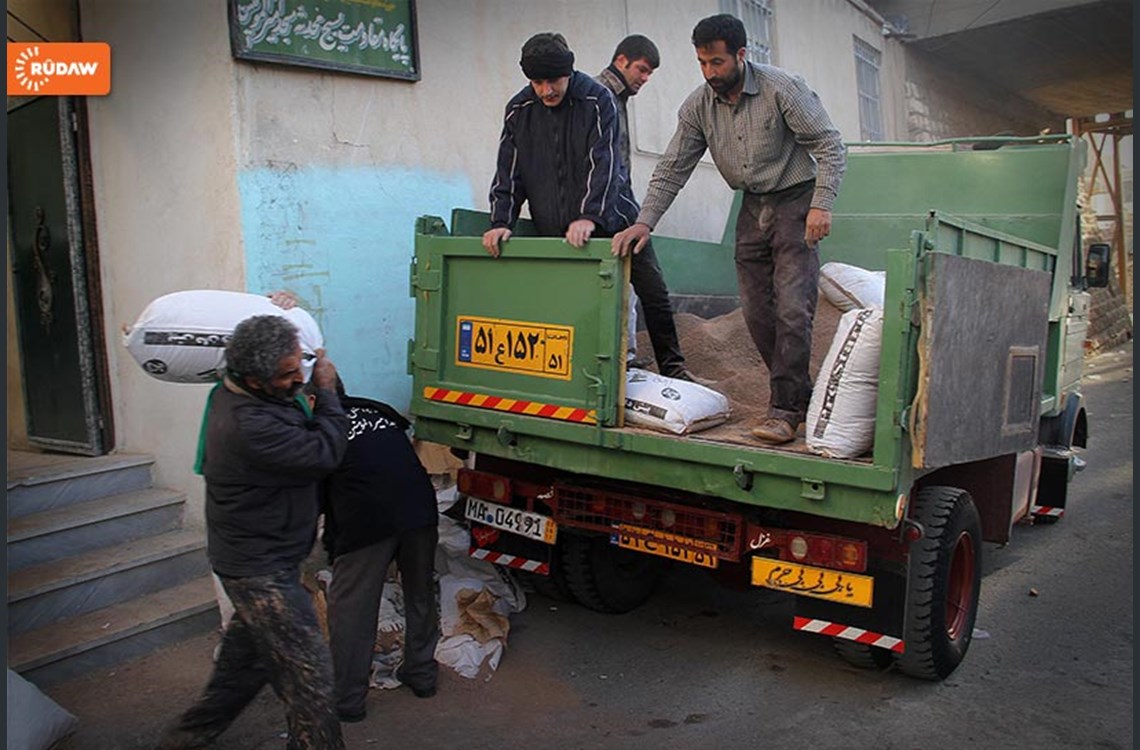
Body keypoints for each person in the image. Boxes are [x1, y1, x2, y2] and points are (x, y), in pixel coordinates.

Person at [612, 14, 847, 445]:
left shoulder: (782, 89)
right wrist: (644, 222)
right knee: (758, 313)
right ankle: (800, 395)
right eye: (702, 63)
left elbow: (830, 145)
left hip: (797, 202)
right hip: (751, 207)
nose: (709, 73)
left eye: (717, 62)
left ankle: (784, 410)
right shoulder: (699, 105)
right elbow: (671, 169)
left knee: (794, 308)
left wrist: (821, 204)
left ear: (741, 54)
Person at [157, 315, 348, 750]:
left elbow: (300, 402)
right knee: (311, 683)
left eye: (296, 366)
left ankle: (185, 737)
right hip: (260, 571)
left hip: (261, 559)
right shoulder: (248, 424)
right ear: (253, 378)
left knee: (243, 668)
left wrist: (286, 311)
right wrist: (329, 391)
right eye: (285, 374)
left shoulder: (251, 394)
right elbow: (326, 451)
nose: (296, 379)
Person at [483, 31, 695, 382]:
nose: (546, 90)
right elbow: (509, 169)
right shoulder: (519, 109)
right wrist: (501, 220)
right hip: (554, 225)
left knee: (652, 290)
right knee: (572, 303)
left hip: (617, 218)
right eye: (537, 82)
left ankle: (674, 368)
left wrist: (589, 215)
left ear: (568, 72)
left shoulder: (597, 100)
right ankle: (584, 373)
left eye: (553, 80)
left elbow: (605, 163)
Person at [318, 382, 441, 722]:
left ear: (313, 399)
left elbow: (319, 499)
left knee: (351, 608)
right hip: (420, 511)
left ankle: (347, 701)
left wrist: (332, 549)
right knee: (420, 594)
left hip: (370, 521)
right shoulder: (378, 412)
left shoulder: (321, 429)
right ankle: (422, 674)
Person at [596, 34, 661, 370]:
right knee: (619, 286)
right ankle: (620, 360)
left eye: (649, 73)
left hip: (620, 209)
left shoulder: (617, 99)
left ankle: (628, 358)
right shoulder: (597, 95)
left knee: (631, 287)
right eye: (642, 70)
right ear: (621, 60)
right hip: (602, 214)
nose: (645, 78)